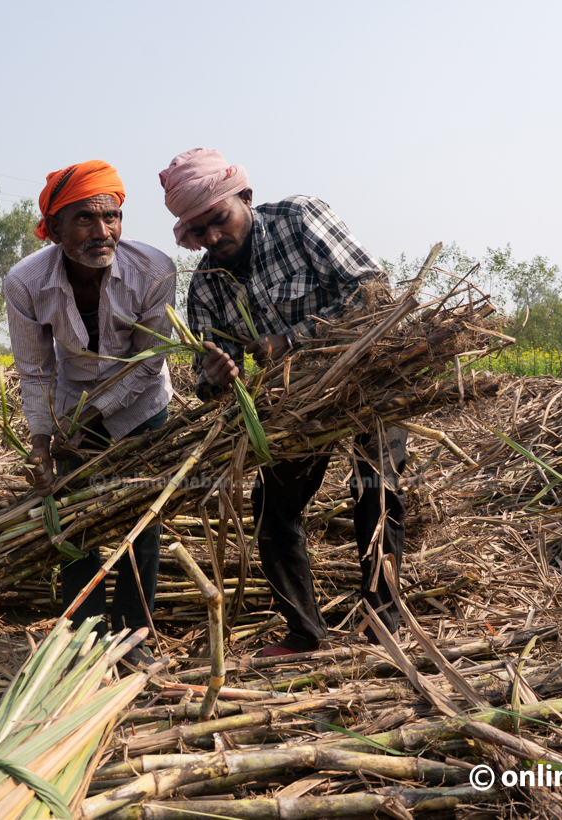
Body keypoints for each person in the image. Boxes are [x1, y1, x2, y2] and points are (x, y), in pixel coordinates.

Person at [159, 148, 408, 658]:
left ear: (246, 198)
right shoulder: (206, 287)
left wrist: (292, 339)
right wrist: (217, 377)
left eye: (219, 220)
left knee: (375, 490)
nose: (212, 238)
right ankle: (305, 633)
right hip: (297, 406)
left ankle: (383, 625)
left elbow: (373, 290)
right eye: (198, 231)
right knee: (273, 507)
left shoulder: (299, 218)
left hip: (368, 379)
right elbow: (210, 383)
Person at [4, 159, 175, 660]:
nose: (102, 231)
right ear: (55, 228)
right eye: (84, 218)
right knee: (76, 519)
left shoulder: (154, 269)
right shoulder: (25, 282)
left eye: (111, 216)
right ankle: (84, 636)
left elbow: (148, 361)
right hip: (70, 404)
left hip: (141, 404)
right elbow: (35, 370)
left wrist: (88, 417)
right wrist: (41, 443)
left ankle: (133, 636)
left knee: (141, 518)